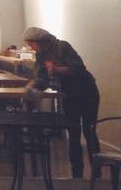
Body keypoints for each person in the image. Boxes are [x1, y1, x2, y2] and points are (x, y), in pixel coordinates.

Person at [22, 26, 100, 178]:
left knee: (89, 131)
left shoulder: (62, 46)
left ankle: (96, 172)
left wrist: (56, 69)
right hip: (69, 94)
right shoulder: (41, 55)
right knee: (73, 132)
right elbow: (42, 78)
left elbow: (78, 68)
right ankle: (77, 173)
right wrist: (33, 85)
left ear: (39, 41)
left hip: (87, 91)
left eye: (31, 44)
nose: (31, 48)